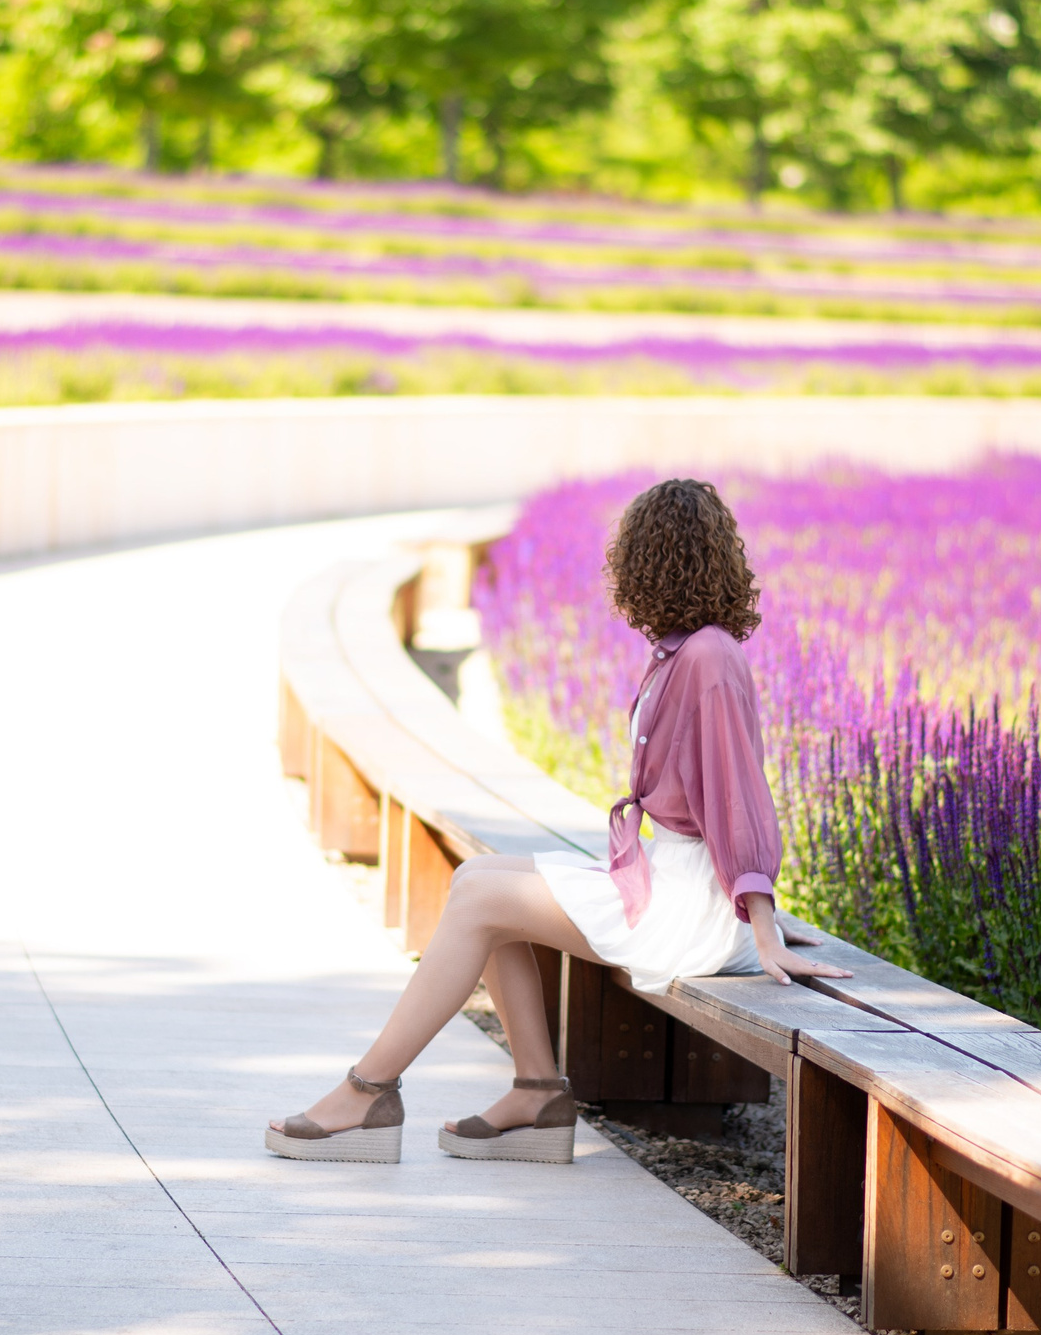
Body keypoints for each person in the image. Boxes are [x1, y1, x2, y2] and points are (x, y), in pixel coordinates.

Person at [265, 477, 851, 1165]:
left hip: (693, 906)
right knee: (479, 881)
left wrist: (760, 922)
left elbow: (739, 796)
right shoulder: (683, 651)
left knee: (482, 898)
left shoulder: (709, 658)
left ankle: (369, 1091)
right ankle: (537, 1091)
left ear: (647, 562)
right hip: (671, 878)